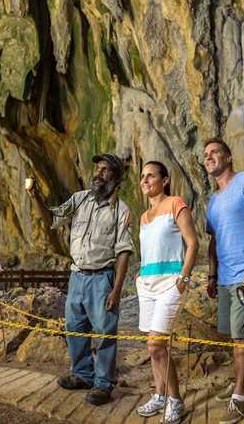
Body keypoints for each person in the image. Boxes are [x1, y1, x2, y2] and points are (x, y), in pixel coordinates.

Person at [27, 153, 133, 406]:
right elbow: (53, 219)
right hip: (77, 275)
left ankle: (104, 384)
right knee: (74, 328)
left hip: (102, 277)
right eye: (97, 168)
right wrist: (35, 196)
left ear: (115, 178)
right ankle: (83, 374)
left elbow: (124, 252)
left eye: (105, 170)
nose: (98, 173)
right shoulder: (80, 199)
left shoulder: (121, 210)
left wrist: (116, 290)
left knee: (105, 332)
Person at [203, 138, 244, 424]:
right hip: (225, 277)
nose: (209, 157)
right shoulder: (213, 200)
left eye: (215, 152)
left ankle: (241, 396)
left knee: (242, 336)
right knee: (233, 335)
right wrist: (212, 274)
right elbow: (213, 240)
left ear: (229, 157)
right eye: (205, 155)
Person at [135, 161, 198, 422]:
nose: (145, 180)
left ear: (165, 179)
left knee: (156, 344)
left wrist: (183, 277)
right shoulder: (143, 216)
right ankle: (159, 395)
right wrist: (140, 273)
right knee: (152, 348)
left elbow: (193, 243)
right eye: (142, 177)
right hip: (146, 283)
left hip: (169, 282)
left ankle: (175, 399)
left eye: (151, 175)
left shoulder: (175, 203)